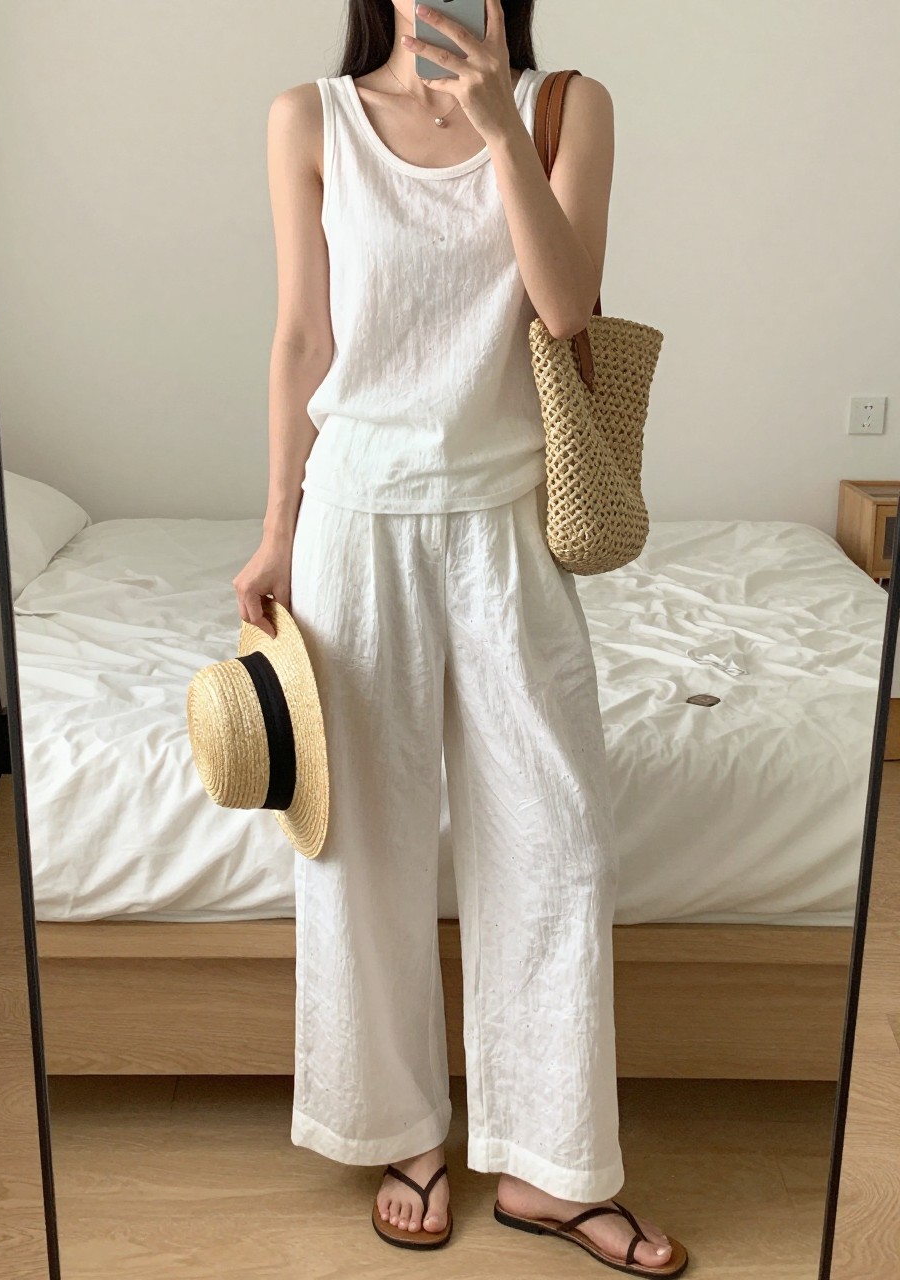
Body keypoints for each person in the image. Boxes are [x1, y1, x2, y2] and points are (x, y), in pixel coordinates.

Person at [233, 1, 684, 1273]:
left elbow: (568, 305)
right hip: (354, 524)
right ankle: (403, 1130)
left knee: (560, 840)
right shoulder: (309, 119)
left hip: (506, 525)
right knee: (359, 845)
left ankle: (554, 1169)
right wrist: (275, 529)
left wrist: (498, 127)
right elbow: (302, 339)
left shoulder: (562, 105)